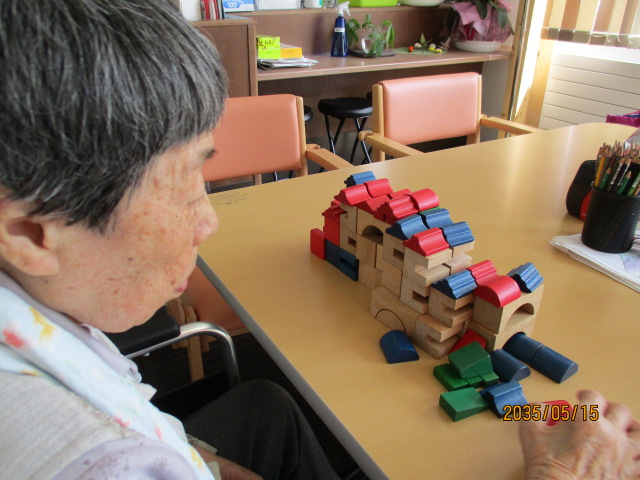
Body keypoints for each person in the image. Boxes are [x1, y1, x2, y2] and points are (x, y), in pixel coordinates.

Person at [0, 1, 637, 479]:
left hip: (169, 431)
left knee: (268, 402)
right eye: (185, 183)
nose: (209, 220)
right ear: (31, 232)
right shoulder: (101, 461)